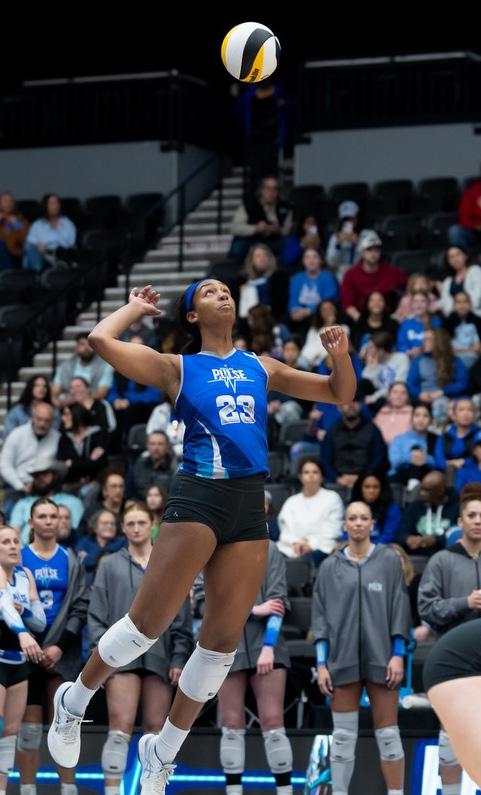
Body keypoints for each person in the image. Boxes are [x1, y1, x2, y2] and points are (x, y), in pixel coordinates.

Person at [46, 279, 355, 794]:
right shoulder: (179, 367)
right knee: (147, 626)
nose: (223, 295)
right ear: (192, 315)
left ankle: (162, 752)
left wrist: (340, 357)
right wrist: (133, 308)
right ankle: (73, 701)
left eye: (226, 290)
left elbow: (339, 393)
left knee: (220, 649)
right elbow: (100, 340)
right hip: (199, 495)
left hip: (248, 503)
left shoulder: (263, 366)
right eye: (209, 292)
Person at [88, 503, 193, 795]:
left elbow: (182, 618)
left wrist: (178, 658)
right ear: (123, 528)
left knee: (156, 732)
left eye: (141, 523)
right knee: (119, 729)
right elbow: (96, 615)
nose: (135, 528)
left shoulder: (170, 565)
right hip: (120, 659)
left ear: (152, 526)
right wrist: (102, 658)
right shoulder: (108, 564)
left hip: (160, 657)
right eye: (130, 523)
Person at [312, 501, 411, 795]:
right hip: (341, 661)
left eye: (363, 518)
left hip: (383, 659)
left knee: (389, 736)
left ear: (372, 524)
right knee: (342, 738)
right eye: (352, 518)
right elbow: (320, 617)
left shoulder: (389, 560)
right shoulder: (329, 566)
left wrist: (397, 654)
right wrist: (321, 664)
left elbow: (400, 608)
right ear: (344, 525)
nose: (358, 523)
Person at [18, 498, 88, 795]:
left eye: (53, 516)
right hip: (25, 652)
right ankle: (27, 789)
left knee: (64, 728)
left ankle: (68, 788)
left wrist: (59, 646)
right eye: (42, 516)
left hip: (62, 654)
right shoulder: (18, 556)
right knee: (29, 731)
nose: (48, 521)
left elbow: (80, 606)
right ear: (31, 522)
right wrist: (28, 640)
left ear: (60, 521)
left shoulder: (71, 559)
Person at [418, 486, 481, 795]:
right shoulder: (441, 560)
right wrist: (464, 603)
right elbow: (427, 608)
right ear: (460, 521)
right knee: (451, 737)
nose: (478, 521)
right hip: (455, 663)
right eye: (472, 515)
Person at [217, 541, 291, 795]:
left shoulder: (271, 550)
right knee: (231, 723)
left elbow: (278, 601)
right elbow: (207, 604)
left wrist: (269, 646)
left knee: (273, 721)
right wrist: (254, 610)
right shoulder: (214, 548)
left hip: (267, 646)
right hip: (226, 645)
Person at [0, 525, 46, 795]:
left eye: (16, 541)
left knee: (10, 733)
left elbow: (39, 622)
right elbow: (3, 604)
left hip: (18, 662)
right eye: (5, 542)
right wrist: (22, 632)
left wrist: (24, 611)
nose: (13, 546)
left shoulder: (25, 575)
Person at [277, 458, 343, 564]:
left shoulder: (332, 498)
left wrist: (311, 545)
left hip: (322, 547)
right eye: (306, 472)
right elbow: (285, 529)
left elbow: (332, 530)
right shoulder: (291, 501)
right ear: (300, 477)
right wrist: (295, 542)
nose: (311, 475)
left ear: (322, 477)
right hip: (292, 548)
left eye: (315, 472)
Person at [9, 456, 83, 546]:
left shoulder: (73, 502)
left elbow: (74, 532)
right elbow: (14, 532)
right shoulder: (23, 503)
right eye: (36, 475)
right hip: (25, 549)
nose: (40, 478)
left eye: (44, 474)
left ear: (55, 476)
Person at [339, 231, 407, 322]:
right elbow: (348, 305)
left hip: (387, 318)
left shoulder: (391, 271)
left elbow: (410, 286)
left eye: (376, 250)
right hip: (360, 318)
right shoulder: (351, 274)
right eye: (369, 250)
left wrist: (399, 313)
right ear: (362, 253)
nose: (373, 254)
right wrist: (362, 321)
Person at [0, 403, 60, 497]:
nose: (42, 424)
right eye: (39, 419)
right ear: (32, 417)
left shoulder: (57, 438)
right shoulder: (16, 434)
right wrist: (20, 485)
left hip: (48, 489)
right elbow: (4, 464)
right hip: (18, 486)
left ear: (52, 421)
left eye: (46, 420)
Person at [395, 471, 459, 556]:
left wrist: (435, 540)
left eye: (428, 490)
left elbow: (457, 534)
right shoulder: (415, 506)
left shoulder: (456, 508)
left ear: (440, 491)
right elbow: (400, 532)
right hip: (416, 555)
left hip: (446, 555)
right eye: (422, 489)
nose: (422, 493)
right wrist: (407, 539)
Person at [229, 176, 293, 262]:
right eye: (267, 188)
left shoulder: (285, 207)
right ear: (261, 190)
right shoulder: (248, 205)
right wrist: (256, 228)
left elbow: (286, 230)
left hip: (273, 242)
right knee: (239, 247)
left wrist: (277, 230)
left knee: (290, 244)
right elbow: (234, 228)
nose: (271, 192)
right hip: (251, 241)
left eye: (275, 189)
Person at [51, 333, 114, 406]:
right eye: (82, 344)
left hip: (94, 405)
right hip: (68, 405)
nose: (86, 348)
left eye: (90, 344)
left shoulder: (105, 366)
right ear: (76, 348)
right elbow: (55, 393)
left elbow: (101, 393)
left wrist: (76, 399)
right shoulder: (65, 366)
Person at [22, 194, 76, 272]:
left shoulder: (67, 223)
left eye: (57, 203)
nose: (55, 206)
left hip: (61, 254)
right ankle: (39, 271)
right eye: (52, 203)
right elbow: (30, 244)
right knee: (29, 249)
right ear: (45, 206)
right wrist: (39, 247)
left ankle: (41, 272)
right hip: (43, 255)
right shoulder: (38, 224)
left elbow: (71, 243)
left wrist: (52, 242)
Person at [388, 403, 437, 485]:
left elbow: (438, 463)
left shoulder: (435, 439)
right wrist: (411, 456)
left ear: (431, 420)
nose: (421, 419)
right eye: (417, 415)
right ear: (411, 419)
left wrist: (425, 458)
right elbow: (395, 463)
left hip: (425, 478)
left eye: (425, 416)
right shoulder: (400, 439)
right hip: (398, 477)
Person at [75, 509, 126, 587]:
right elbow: (80, 562)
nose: (109, 526)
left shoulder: (122, 542)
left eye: (112, 524)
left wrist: (92, 557)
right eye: (105, 523)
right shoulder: (84, 542)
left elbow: (121, 564)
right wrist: (106, 554)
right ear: (95, 526)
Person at [348, 474, 401, 545]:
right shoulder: (352, 507)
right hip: (355, 546)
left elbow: (389, 535)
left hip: (382, 547)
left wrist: (369, 548)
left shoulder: (391, 508)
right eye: (367, 487)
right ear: (360, 488)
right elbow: (346, 533)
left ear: (382, 489)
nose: (371, 491)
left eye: (375, 487)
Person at [3, 375, 57, 440]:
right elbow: (8, 434)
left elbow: (54, 434)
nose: (41, 388)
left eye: (44, 386)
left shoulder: (54, 411)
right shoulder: (17, 411)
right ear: (30, 388)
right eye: (37, 385)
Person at [439, 246, 481, 318]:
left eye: (458, 254)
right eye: (451, 257)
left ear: (466, 256)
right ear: (448, 261)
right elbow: (445, 304)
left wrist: (462, 309)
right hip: (455, 319)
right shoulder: (448, 281)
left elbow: (478, 295)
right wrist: (455, 311)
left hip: (476, 316)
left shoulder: (475, 271)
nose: (455, 259)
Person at [443, 291, 481, 369]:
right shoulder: (447, 323)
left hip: (475, 361)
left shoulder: (478, 322)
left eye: (465, 302)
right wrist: (469, 349)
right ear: (454, 305)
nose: (462, 305)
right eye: (458, 302)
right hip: (452, 361)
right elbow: (446, 348)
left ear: (470, 304)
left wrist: (459, 350)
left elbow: (478, 348)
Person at [0, 191, 29, 269]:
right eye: (5, 201)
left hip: (16, 253)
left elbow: (26, 240)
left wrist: (17, 224)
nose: (8, 203)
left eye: (11, 201)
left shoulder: (21, 220)